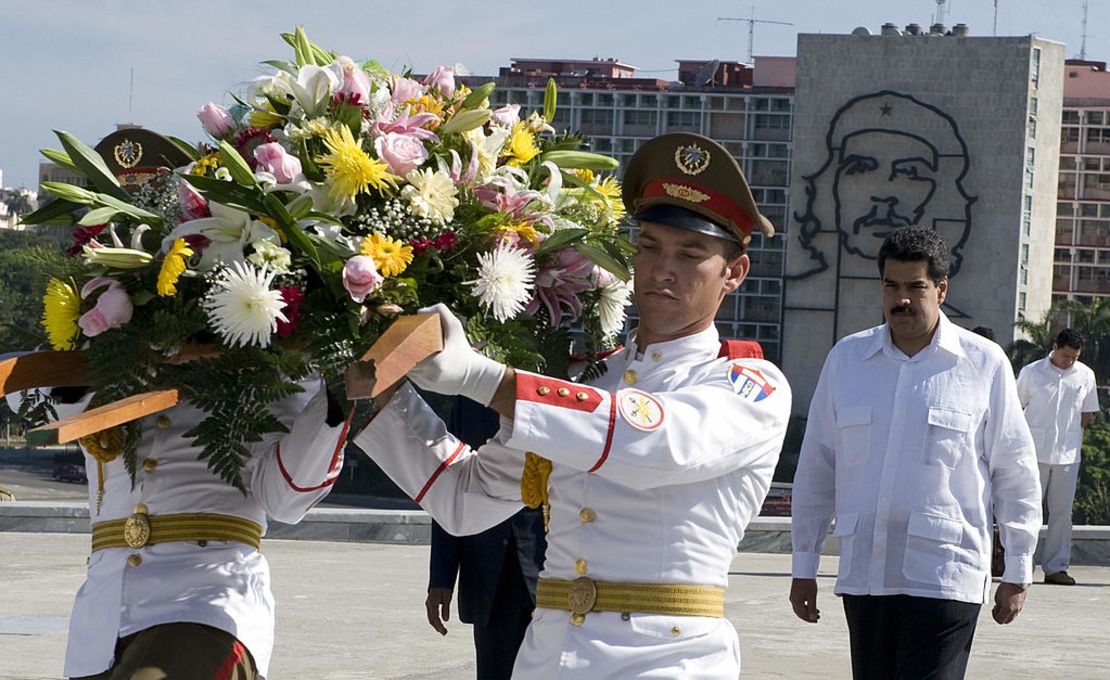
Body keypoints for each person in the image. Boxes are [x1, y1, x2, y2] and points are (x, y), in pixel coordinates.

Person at [351, 132, 791, 678]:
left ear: (735, 273)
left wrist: (482, 376)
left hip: (668, 661)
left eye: (690, 254)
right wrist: (374, 389)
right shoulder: (588, 379)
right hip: (546, 659)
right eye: (649, 247)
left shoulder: (748, 383)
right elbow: (466, 498)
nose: (662, 270)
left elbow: (654, 441)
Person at [789, 226, 1042, 680]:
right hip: (866, 575)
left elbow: (1015, 470)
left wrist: (1018, 568)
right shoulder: (848, 360)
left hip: (946, 574)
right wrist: (803, 565)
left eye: (914, 287)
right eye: (891, 286)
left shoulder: (982, 364)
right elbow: (817, 468)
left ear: (941, 289)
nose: (900, 299)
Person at [26, 380, 351, 680]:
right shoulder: (101, 347)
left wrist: (339, 392)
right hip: (101, 615)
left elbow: (286, 499)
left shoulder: (274, 357)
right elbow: (35, 401)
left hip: (206, 597)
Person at [425, 397, 546, 680]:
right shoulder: (470, 403)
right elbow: (450, 487)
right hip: (490, 573)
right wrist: (441, 579)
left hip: (554, 568)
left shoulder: (561, 387)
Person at [1016, 328, 1101, 586]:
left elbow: (1086, 414)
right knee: (1028, 510)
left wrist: (1072, 436)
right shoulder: (1031, 372)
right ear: (1055, 346)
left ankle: (1056, 568)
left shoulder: (1085, 375)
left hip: (1068, 454)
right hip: (1034, 452)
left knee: (1062, 514)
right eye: (1066, 356)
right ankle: (1021, 566)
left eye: (1074, 357)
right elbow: (1016, 409)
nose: (1070, 361)